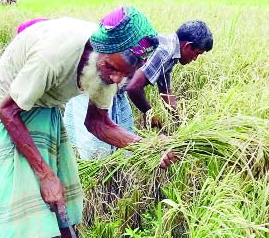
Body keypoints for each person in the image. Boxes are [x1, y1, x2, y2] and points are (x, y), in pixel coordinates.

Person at [0, 5, 177, 238]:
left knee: (70, 203)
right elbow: (8, 112)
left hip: (46, 106)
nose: (115, 79)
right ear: (97, 47)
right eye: (111, 68)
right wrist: (45, 175)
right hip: (8, 106)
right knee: (17, 211)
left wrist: (149, 148)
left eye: (123, 74)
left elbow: (98, 123)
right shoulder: (53, 56)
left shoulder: (110, 67)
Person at [63, 20, 213, 160]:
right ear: (187, 46)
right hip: (100, 87)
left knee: (121, 147)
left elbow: (166, 91)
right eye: (197, 53)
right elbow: (133, 87)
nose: (195, 59)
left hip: (116, 91)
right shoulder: (164, 50)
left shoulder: (171, 54)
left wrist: (181, 123)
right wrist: (149, 113)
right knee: (98, 151)